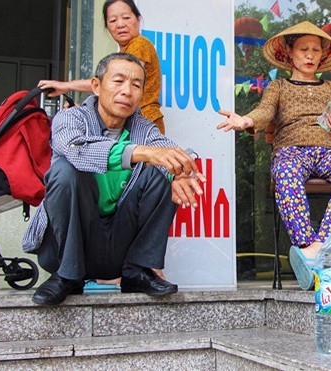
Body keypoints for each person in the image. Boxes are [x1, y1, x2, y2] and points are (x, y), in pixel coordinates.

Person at [23, 53, 206, 306]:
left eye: (136, 85)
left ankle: (137, 270)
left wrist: (181, 171)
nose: (127, 91)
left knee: (163, 170)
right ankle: (67, 275)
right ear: (96, 86)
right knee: (65, 170)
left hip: (115, 252)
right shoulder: (71, 118)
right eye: (118, 81)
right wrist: (142, 153)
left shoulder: (142, 127)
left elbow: (166, 148)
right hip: (67, 247)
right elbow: (75, 148)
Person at [217, 21, 331, 290]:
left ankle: (324, 245)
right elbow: (264, 113)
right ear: (290, 52)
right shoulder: (279, 86)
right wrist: (247, 121)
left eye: (315, 50)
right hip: (292, 151)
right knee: (285, 172)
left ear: (323, 54)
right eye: (303, 49)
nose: (310, 55)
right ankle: (309, 247)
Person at [39, 0, 166, 134]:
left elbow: (105, 84)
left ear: (138, 20)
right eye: (113, 21)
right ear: (107, 26)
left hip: (142, 123)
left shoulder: (139, 45)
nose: (120, 24)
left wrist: (65, 86)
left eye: (126, 18)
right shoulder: (124, 52)